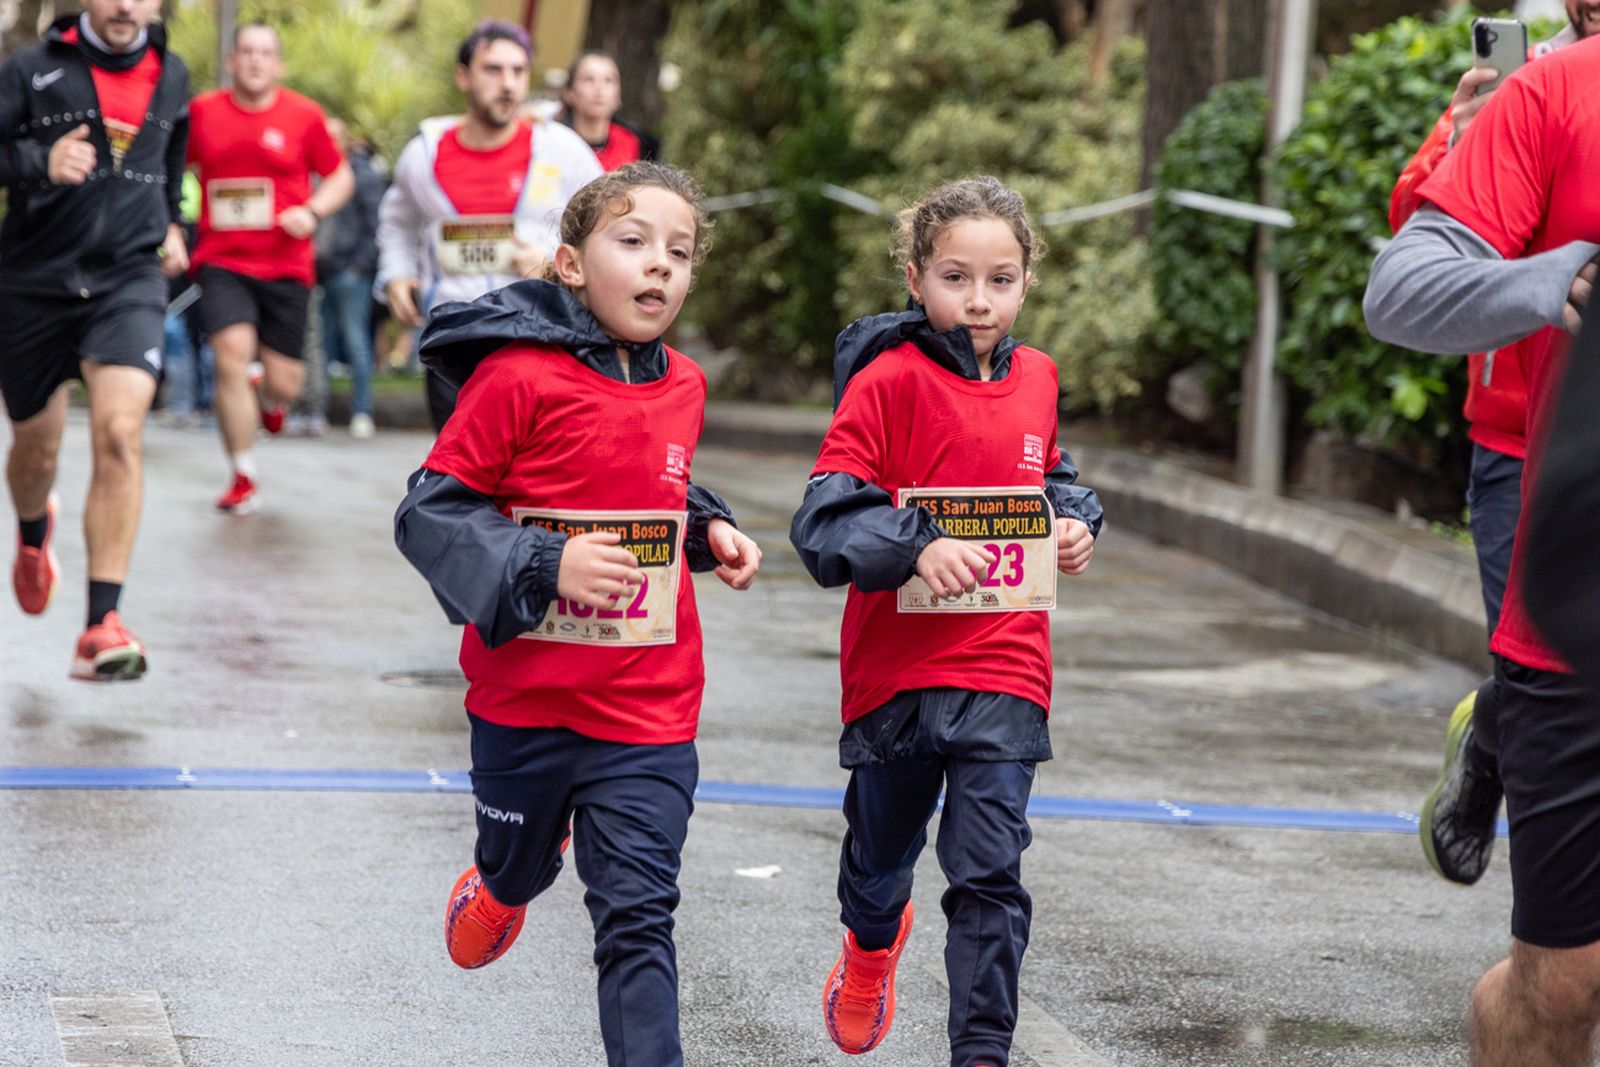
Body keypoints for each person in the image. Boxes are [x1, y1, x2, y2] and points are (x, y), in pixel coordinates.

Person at [393, 162, 761, 1066]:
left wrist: (705, 530)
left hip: (650, 705)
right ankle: (505, 877)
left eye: (679, 253)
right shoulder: (516, 378)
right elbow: (428, 512)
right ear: (568, 262)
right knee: (517, 862)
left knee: (638, 913)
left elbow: (648, 489)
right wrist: (550, 560)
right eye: (632, 243)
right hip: (527, 703)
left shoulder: (684, 385)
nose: (659, 267)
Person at [789, 177, 1102, 1067]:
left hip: (1006, 666)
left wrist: (1076, 520)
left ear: (1027, 282)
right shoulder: (887, 382)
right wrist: (914, 544)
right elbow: (822, 521)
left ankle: (982, 1051)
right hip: (897, 673)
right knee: (880, 857)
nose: (979, 299)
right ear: (916, 276)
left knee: (989, 872)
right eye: (956, 277)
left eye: (1000, 279)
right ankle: (869, 943)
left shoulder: (1038, 378)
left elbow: (1053, 478)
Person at [1364, 28, 1600, 1064]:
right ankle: (1497, 721)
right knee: (1563, 985)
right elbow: (1406, 274)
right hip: (1559, 548)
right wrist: (1557, 275)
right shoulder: (1549, 91)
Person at [0, 0, 190, 680]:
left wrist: (173, 224)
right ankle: (31, 535)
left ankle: (99, 623)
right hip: (34, 279)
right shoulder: (29, 69)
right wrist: (37, 159)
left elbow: (171, 169)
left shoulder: (173, 74)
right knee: (35, 450)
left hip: (128, 279)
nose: (124, 5)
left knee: (118, 432)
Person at [377, 20, 603, 433]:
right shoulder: (423, 154)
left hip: (541, 331)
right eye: (493, 70)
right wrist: (397, 276)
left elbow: (604, 227)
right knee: (459, 473)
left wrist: (555, 264)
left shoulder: (563, 149)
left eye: (518, 72)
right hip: (455, 333)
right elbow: (398, 223)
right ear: (463, 76)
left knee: (529, 469)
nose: (508, 84)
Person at [187, 21, 352, 514]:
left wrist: (313, 212)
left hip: (285, 265)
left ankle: (270, 398)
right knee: (230, 356)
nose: (256, 61)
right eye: (247, 52)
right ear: (232, 62)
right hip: (221, 260)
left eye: (266, 53)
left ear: (278, 65)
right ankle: (243, 474)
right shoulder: (202, 113)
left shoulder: (303, 115)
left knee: (287, 384)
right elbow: (174, 164)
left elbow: (339, 175)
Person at [315, 117, 387, 439]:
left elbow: (377, 225)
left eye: (334, 136)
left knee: (356, 340)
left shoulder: (363, 175)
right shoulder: (318, 174)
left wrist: (360, 265)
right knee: (321, 343)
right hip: (322, 270)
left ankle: (362, 411)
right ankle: (319, 410)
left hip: (350, 272)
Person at [560, 50, 659, 172]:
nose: (599, 88)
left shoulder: (636, 144)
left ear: (618, 96)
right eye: (588, 79)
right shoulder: (554, 141)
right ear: (569, 93)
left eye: (608, 80)